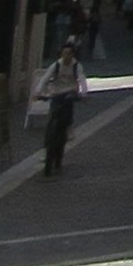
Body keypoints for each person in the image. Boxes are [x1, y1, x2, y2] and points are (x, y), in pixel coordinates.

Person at [33, 40, 89, 176]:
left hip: (69, 93)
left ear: (73, 55)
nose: (66, 56)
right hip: (56, 93)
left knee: (66, 117)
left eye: (69, 53)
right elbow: (45, 78)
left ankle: (67, 129)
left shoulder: (77, 66)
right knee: (52, 119)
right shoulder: (56, 65)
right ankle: (48, 148)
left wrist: (84, 93)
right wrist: (38, 92)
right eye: (64, 53)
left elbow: (81, 79)